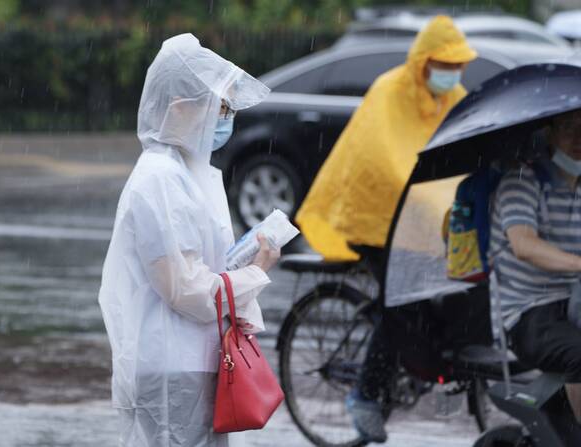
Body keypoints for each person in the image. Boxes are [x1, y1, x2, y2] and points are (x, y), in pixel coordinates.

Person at [295, 16, 477, 443]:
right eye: (444, 63)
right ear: (423, 61)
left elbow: (470, 145)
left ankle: (428, 363)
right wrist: (428, 191)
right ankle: (365, 393)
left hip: (423, 220)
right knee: (403, 303)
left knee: (462, 286)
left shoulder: (454, 97)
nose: (454, 72)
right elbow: (385, 161)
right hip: (371, 218)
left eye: (458, 64)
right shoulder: (388, 91)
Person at [97, 33, 280, 447]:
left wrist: (242, 263)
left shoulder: (186, 172)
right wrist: (255, 272)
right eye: (221, 108)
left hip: (193, 362)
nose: (226, 120)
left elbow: (198, 271)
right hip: (173, 369)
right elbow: (185, 289)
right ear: (180, 109)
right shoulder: (160, 179)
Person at [490, 109, 581, 425]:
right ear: (550, 132)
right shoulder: (521, 180)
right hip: (528, 311)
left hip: (574, 302)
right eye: (570, 127)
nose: (578, 137)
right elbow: (524, 245)